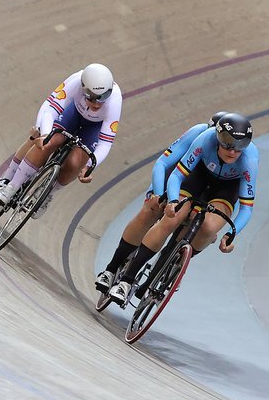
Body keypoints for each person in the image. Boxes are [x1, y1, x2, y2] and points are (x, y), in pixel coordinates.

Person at [107, 112, 258, 305]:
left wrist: (230, 234)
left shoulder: (249, 159)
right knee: (173, 217)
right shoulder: (205, 138)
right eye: (228, 145)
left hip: (226, 188)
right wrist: (171, 201)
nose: (233, 152)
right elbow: (177, 175)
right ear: (218, 137)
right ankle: (126, 281)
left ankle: (177, 264)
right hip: (198, 176)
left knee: (209, 228)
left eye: (239, 148)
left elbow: (246, 208)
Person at [95, 111, 229, 293]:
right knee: (152, 209)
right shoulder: (198, 133)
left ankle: (172, 265)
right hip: (179, 179)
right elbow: (163, 164)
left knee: (200, 227)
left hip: (205, 190)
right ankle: (111, 269)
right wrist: (158, 195)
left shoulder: (232, 157)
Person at [0, 63, 121, 217]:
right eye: (92, 98)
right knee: (48, 141)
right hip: (73, 114)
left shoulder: (114, 100)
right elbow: (50, 107)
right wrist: (44, 134)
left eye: (102, 98)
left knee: (75, 163)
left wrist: (89, 166)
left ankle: (46, 194)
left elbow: (105, 143)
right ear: (83, 88)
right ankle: (12, 185)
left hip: (93, 128)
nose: (97, 103)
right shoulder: (75, 81)